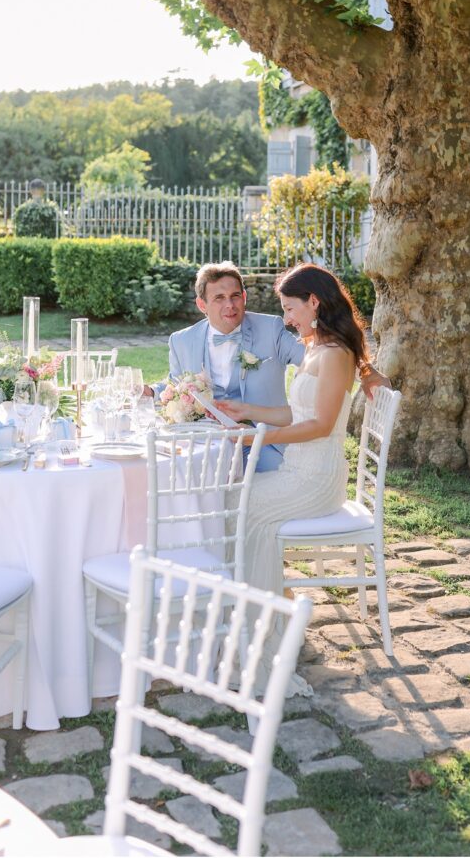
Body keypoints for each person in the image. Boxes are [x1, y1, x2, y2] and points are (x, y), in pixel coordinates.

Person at [214, 263, 374, 696]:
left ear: (314, 302)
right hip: (295, 470)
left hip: (316, 478)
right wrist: (246, 413)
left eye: (289, 309)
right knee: (232, 503)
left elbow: (321, 425)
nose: (286, 319)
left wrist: (260, 439)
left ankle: (263, 642)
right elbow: (295, 413)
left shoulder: (337, 353)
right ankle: (250, 625)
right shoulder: (316, 347)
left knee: (245, 513)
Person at [158, 262, 384, 473]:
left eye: (235, 296)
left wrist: (364, 370)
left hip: (269, 447)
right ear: (201, 305)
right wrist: (149, 391)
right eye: (219, 298)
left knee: (225, 502)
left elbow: (319, 358)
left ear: (244, 297)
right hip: (208, 443)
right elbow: (175, 386)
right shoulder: (182, 341)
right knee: (190, 482)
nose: (230, 305)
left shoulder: (270, 329)